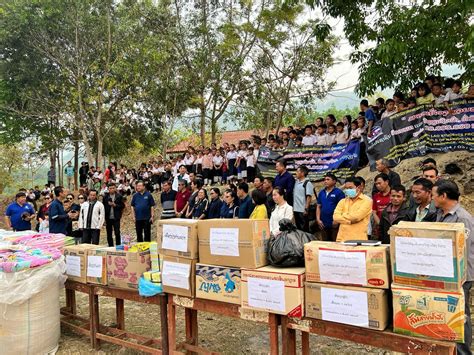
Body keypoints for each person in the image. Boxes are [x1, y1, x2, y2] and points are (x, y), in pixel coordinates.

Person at [432, 180, 473, 355]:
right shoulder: (440, 214)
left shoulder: (463, 217)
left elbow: (465, 248)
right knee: (448, 313)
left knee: (461, 315)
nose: (432, 197)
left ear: (443, 196)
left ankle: (463, 352)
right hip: (446, 271)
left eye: (434, 194)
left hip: (461, 274)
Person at [333, 177, 373, 242]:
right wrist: (349, 221)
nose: (348, 190)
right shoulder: (342, 201)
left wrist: (342, 215)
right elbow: (335, 217)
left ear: (359, 187)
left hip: (358, 240)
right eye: (346, 188)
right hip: (342, 239)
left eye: (350, 188)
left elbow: (357, 217)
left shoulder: (367, 201)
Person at [316, 173, 345, 241]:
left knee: (335, 242)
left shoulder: (339, 192)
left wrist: (337, 220)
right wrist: (318, 219)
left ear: (334, 181)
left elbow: (343, 208)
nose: (325, 181)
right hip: (323, 223)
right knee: (325, 242)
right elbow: (318, 206)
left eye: (328, 179)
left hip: (334, 223)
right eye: (325, 179)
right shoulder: (321, 192)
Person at [371, 173, 392, 239]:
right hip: (380, 229)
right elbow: (374, 212)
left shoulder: (394, 194)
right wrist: (380, 224)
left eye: (379, 183)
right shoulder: (376, 196)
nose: (378, 186)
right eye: (376, 184)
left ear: (387, 182)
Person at [293, 166, 313, 232]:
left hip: (302, 211)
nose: (296, 173)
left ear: (302, 173)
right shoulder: (296, 182)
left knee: (304, 229)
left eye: (297, 171)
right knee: (298, 229)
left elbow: (309, 197)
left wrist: (306, 209)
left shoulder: (307, 183)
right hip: (296, 210)